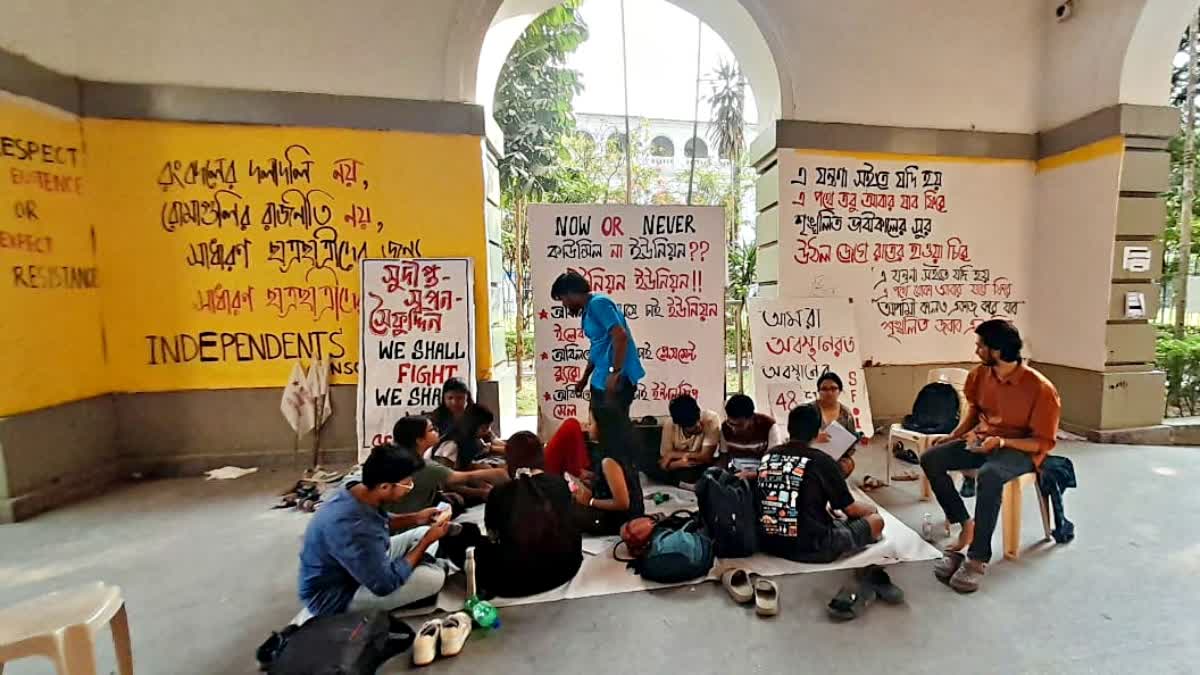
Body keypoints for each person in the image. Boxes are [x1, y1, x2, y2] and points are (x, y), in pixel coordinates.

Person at [920, 319, 1061, 593]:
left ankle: (977, 559)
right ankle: (965, 524)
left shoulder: (1041, 389)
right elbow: (975, 411)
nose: (976, 351)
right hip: (985, 441)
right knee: (931, 458)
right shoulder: (979, 375)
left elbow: (1043, 442)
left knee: (990, 475)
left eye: (980, 346)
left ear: (997, 350)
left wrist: (1003, 441)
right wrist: (956, 435)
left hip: (1021, 450)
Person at [296, 446, 453, 622]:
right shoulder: (354, 527)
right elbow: (385, 584)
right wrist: (426, 542)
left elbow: (380, 521)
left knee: (422, 531)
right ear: (384, 486)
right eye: (407, 484)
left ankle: (414, 566)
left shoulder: (356, 489)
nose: (409, 488)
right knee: (434, 578)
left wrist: (416, 518)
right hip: (337, 597)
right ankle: (418, 570)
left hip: (356, 566)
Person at [755, 404, 884, 564]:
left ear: (789, 428)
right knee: (876, 521)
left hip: (770, 543)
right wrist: (872, 510)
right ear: (817, 432)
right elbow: (850, 510)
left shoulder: (769, 455)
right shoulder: (822, 461)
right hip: (813, 547)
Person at [551, 270, 646, 479]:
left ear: (572, 293)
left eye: (563, 299)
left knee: (615, 438)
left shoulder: (598, 304)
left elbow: (620, 336)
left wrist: (615, 372)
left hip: (615, 381)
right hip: (600, 380)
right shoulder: (588, 310)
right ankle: (610, 479)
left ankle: (625, 480)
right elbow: (598, 347)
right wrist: (585, 378)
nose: (564, 305)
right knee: (603, 434)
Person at [476, 432, 583, 598]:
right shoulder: (560, 484)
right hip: (564, 569)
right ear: (541, 456)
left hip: (517, 580)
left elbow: (493, 534)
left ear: (509, 459)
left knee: (467, 537)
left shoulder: (499, 493)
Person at [380, 416, 507, 516]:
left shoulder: (397, 457)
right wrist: (496, 474)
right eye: (431, 430)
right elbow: (460, 477)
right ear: (419, 440)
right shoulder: (421, 465)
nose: (436, 431)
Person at [649, 394, 721, 486]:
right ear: (681, 425)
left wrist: (673, 454)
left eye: (698, 419)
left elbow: (706, 457)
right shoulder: (670, 425)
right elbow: (664, 462)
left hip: (700, 465)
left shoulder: (711, 419)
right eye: (692, 426)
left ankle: (684, 483)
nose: (698, 425)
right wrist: (677, 464)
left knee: (703, 473)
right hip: (680, 465)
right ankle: (685, 484)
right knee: (650, 468)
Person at [809, 372, 861, 478]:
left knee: (846, 465)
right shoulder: (807, 411)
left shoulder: (846, 414)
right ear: (818, 391)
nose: (829, 393)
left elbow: (851, 444)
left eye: (833, 388)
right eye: (824, 389)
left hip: (836, 457)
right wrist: (813, 438)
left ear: (839, 391)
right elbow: (795, 438)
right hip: (810, 454)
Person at [720, 394, 785, 479]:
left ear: (751, 418)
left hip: (761, 474)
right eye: (731, 424)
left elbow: (774, 466)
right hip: (737, 472)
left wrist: (751, 475)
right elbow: (724, 457)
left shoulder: (768, 426)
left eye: (739, 425)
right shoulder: (725, 427)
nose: (733, 429)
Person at [429, 405, 505, 471]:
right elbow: (444, 475)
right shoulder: (451, 445)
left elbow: (486, 449)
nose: (488, 431)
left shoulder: (473, 441)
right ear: (472, 427)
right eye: (484, 428)